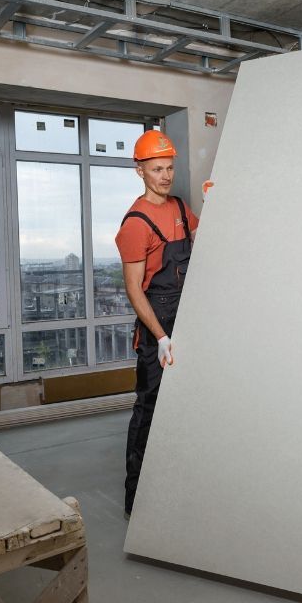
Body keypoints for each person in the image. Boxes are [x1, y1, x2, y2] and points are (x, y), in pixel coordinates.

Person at [115, 130, 199, 520]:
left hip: (190, 317)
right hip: (157, 328)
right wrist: (162, 337)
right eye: (157, 169)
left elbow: (207, 242)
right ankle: (138, 499)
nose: (165, 176)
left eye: (169, 168)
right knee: (149, 410)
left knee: (188, 409)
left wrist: (216, 206)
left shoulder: (182, 209)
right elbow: (134, 290)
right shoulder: (135, 223)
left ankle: (179, 487)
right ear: (140, 171)